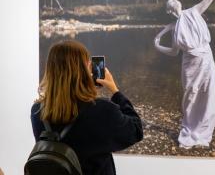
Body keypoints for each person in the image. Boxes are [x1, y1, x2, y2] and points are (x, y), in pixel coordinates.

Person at [31, 40, 143, 174]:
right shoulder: (102, 109)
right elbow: (135, 130)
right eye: (87, 63)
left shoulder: (38, 110)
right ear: (83, 70)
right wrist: (115, 91)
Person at [154, 0, 215, 148]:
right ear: (171, 11)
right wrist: (157, 46)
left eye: (176, 1)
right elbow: (173, 52)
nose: (176, 3)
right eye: (172, 4)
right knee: (191, 97)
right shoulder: (175, 27)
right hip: (190, 65)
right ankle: (189, 130)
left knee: (208, 94)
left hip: (205, 59)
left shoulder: (194, 11)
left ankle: (203, 132)